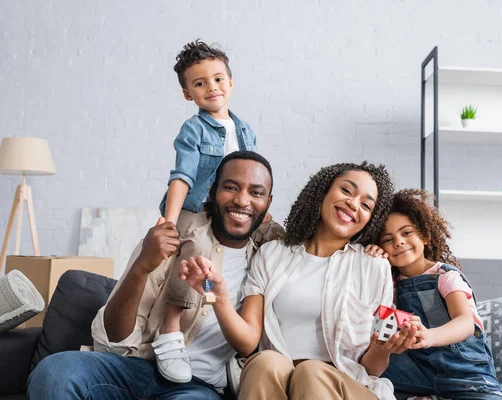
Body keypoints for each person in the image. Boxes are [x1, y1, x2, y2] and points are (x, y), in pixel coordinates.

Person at [27, 151, 281, 399]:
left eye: (256, 192)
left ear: (268, 202)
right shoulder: (173, 235)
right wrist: (142, 267)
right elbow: (115, 340)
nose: (242, 200)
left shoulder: (268, 257)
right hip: (133, 368)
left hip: (197, 386)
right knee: (55, 371)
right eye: (231, 187)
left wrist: (218, 297)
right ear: (213, 192)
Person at [181, 162, 418, 400]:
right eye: (346, 191)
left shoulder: (373, 266)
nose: (353, 204)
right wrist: (217, 297)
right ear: (323, 191)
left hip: (347, 387)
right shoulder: (271, 254)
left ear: (370, 218)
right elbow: (247, 342)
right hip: (279, 378)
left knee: (311, 372)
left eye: (366, 205)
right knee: (265, 362)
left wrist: (381, 348)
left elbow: (371, 369)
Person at [157, 39, 271, 383]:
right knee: (194, 253)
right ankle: (170, 331)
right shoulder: (194, 129)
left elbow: (254, 172)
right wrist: (170, 221)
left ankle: (246, 350)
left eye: (218, 79)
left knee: (279, 238)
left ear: (231, 83)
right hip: (197, 207)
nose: (212, 88)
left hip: (231, 208)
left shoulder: (245, 129)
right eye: (200, 83)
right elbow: (182, 177)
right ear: (187, 93)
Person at [376, 189, 502, 400]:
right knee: (363, 372)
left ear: (425, 236)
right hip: (417, 371)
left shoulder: (444, 276)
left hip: (464, 372)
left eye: (406, 233)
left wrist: (430, 336)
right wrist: (370, 257)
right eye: (387, 239)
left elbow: (466, 323)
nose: (398, 242)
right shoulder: (389, 284)